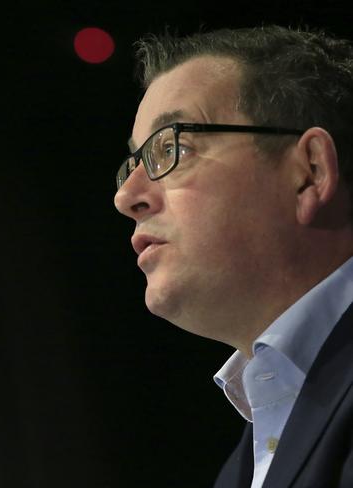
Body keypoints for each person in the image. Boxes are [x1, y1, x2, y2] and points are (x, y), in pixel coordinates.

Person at [114, 25, 353, 488]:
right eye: (134, 163)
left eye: (171, 148)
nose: (127, 196)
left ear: (311, 171)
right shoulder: (241, 467)